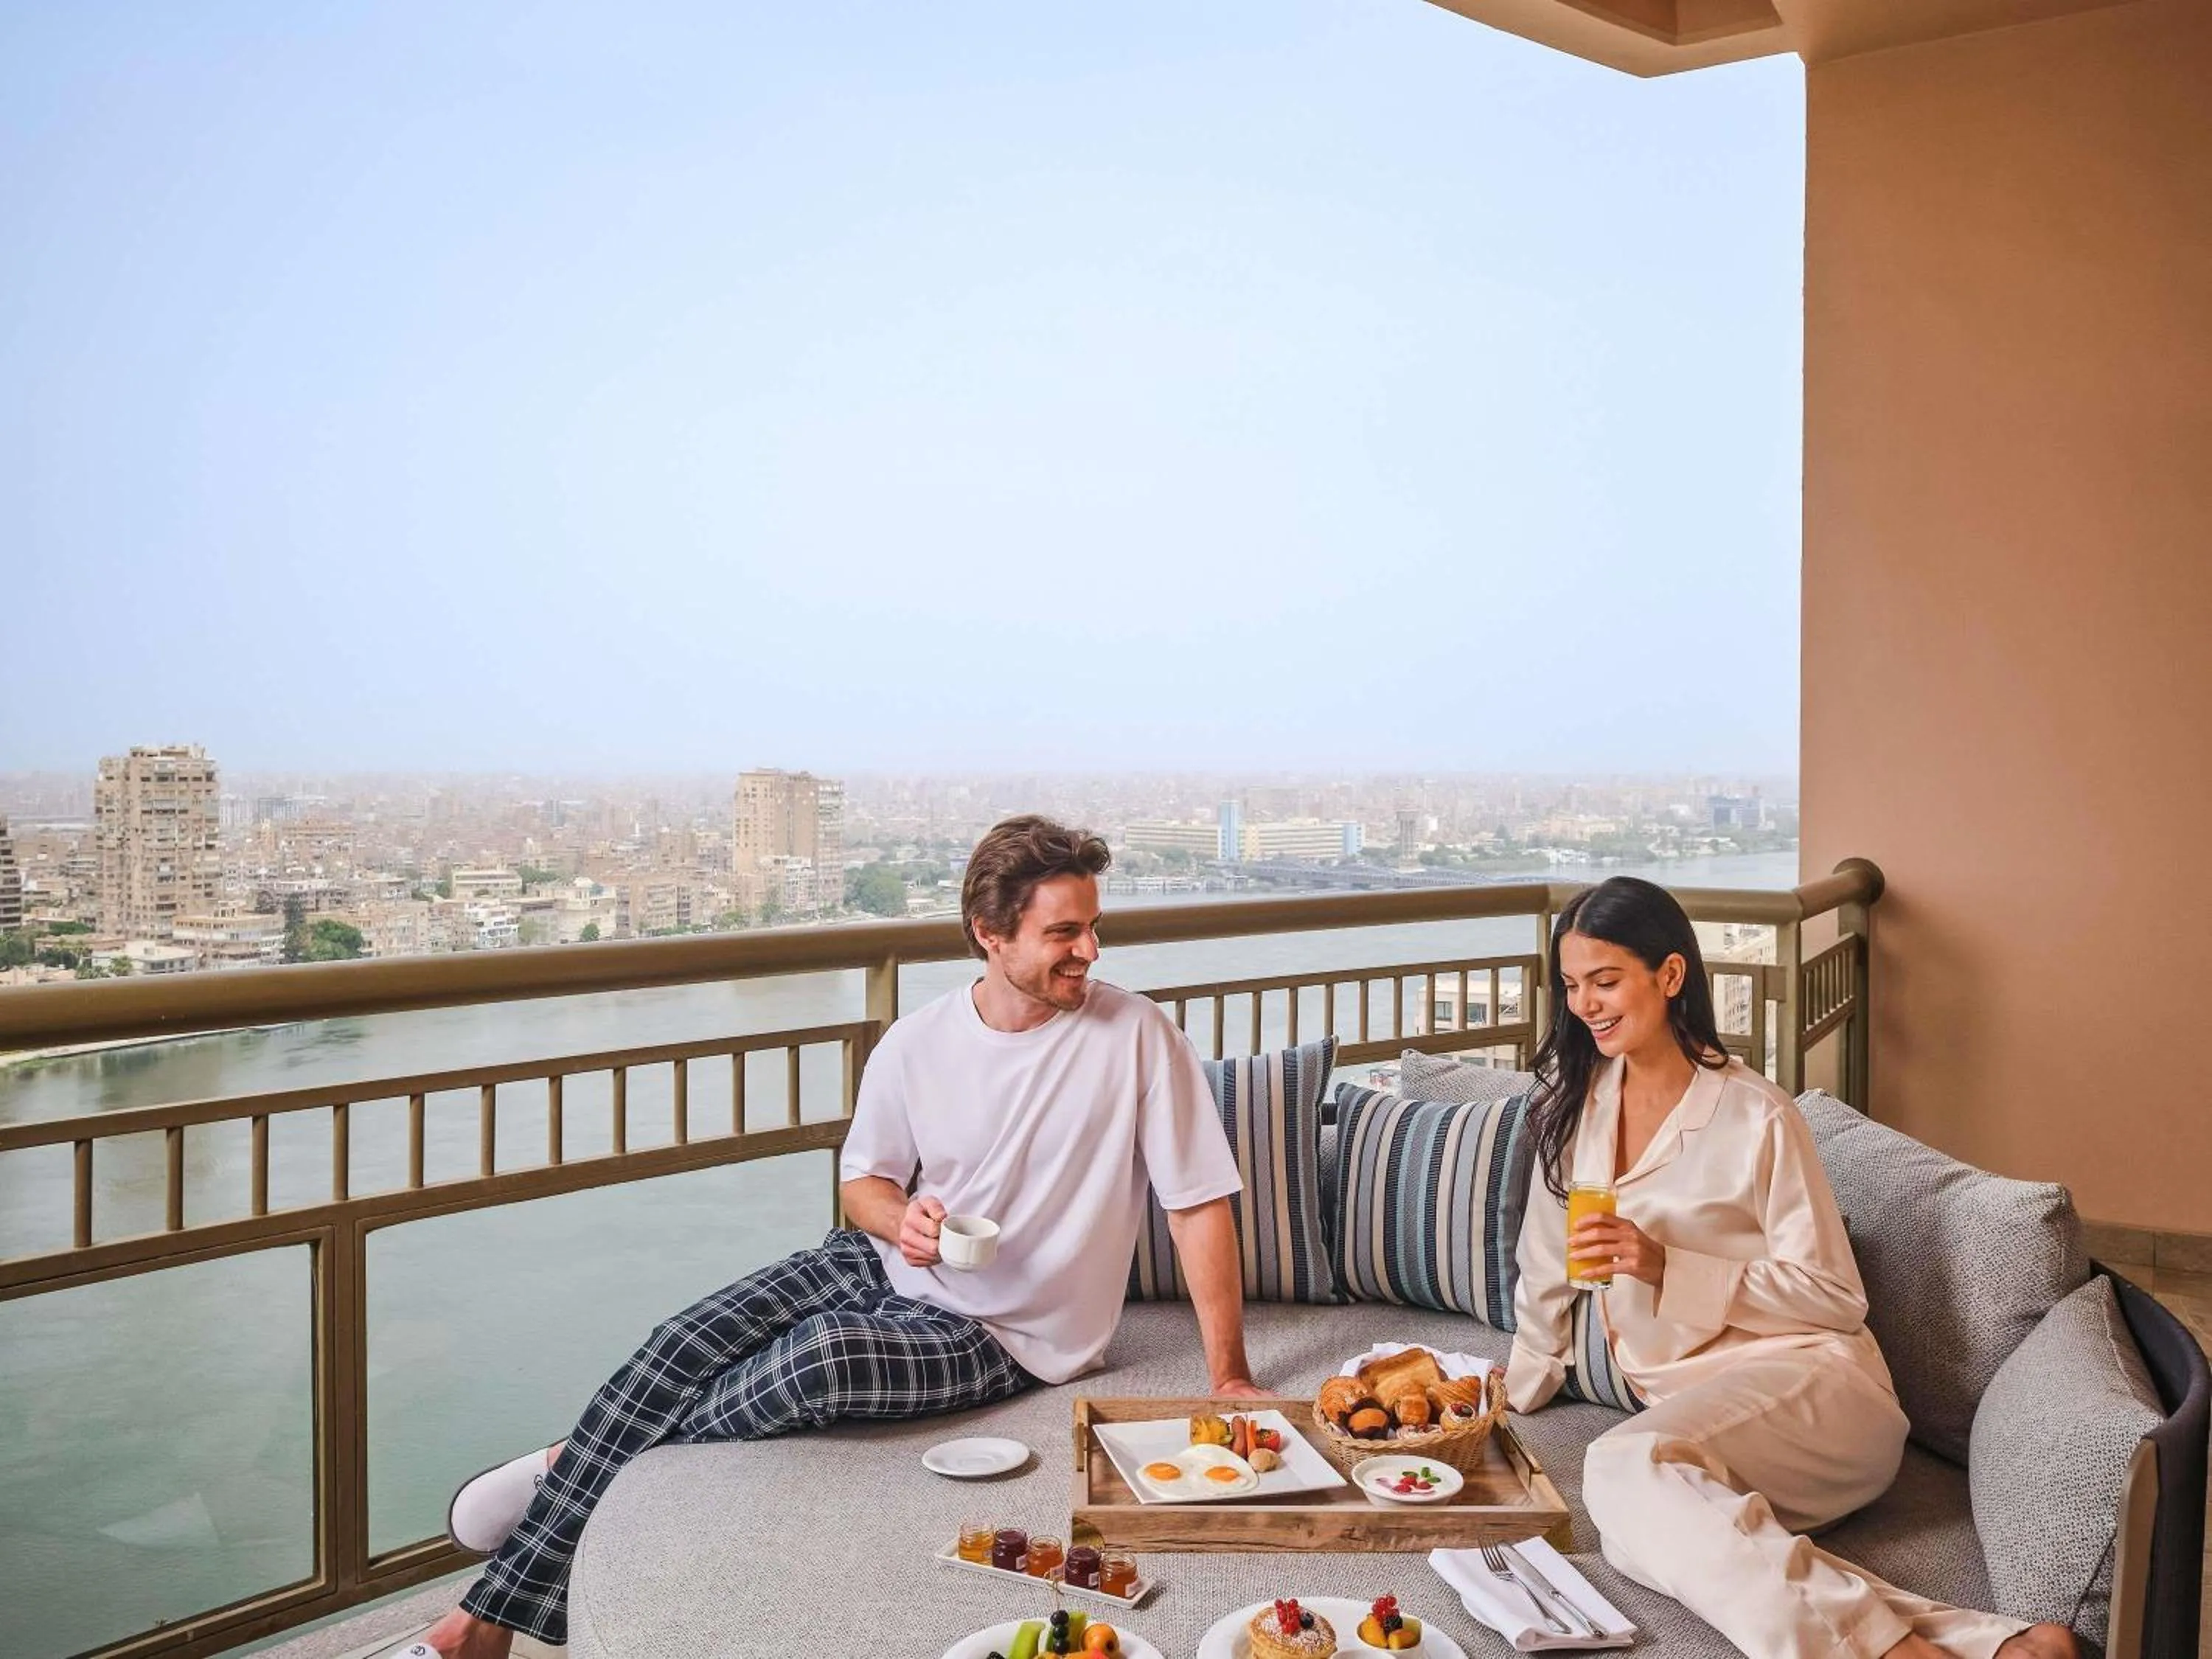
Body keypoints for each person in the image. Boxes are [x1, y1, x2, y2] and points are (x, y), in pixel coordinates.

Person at [390, 815, 1261, 1659]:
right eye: (1064, 932)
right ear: (990, 934)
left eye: (1094, 928)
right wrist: (904, 1222)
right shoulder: (917, 1044)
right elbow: (865, 1187)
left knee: (819, 1360)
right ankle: (504, 1600)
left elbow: (1197, 1204)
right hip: (879, 1262)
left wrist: (1230, 1375)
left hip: (1009, 1336)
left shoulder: (1137, 1038)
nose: (1090, 952)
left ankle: (534, 1524)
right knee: (685, 1341)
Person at [1506, 877, 2078, 1659]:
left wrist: (1665, 1263)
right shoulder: (1577, 1108)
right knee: (1635, 1534)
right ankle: (1996, 1646)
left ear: (1669, 976)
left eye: (1606, 981)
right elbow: (1547, 1267)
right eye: (1573, 986)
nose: (1586, 1005)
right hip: (1698, 1421)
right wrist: (1512, 1390)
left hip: (1815, 1389)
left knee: (1622, 1467)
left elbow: (1835, 1298)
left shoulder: (1755, 1115)